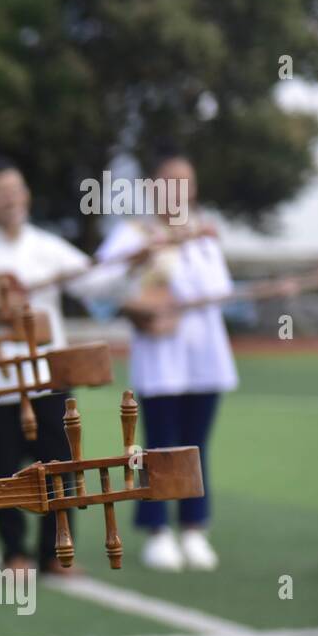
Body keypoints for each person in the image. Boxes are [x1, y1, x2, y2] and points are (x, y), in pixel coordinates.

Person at [0, 155, 110, 574]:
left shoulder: (45, 246)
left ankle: (57, 553)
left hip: (48, 379)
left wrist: (137, 260)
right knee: (5, 474)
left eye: (17, 190)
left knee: (61, 467)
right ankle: (13, 552)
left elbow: (96, 280)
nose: (12, 200)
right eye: (1, 193)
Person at [89, 151, 237, 571]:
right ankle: (157, 530)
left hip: (205, 358)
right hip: (160, 360)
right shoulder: (135, 234)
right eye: (169, 181)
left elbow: (219, 289)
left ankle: (194, 527)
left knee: (196, 445)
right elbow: (96, 282)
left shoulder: (204, 235)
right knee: (158, 445)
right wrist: (139, 264)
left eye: (186, 181)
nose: (179, 191)